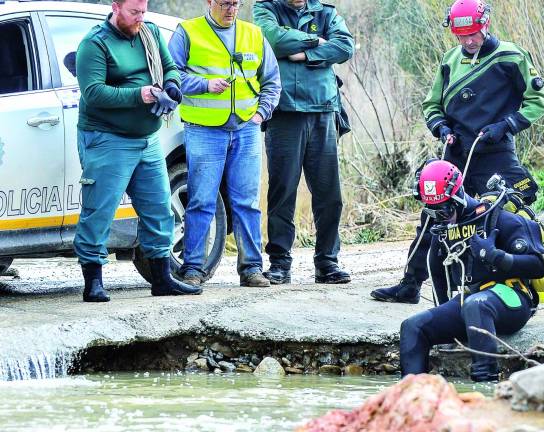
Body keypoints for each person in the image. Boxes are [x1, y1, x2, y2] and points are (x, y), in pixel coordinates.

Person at [371, 0, 544, 304]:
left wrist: (505, 125)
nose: (468, 41)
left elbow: (538, 101)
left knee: (512, 212)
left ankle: (530, 285)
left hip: (496, 149)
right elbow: (431, 104)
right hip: (456, 153)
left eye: (473, 35)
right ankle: (411, 284)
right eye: (461, 36)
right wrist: (441, 128)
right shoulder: (449, 60)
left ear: (485, 25)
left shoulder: (511, 56)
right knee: (433, 215)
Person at [75, 0, 201, 302]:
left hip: (147, 139)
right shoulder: (94, 44)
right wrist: (140, 94)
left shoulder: (151, 32)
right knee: (99, 209)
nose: (140, 18)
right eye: (134, 12)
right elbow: (92, 93)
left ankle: (161, 279)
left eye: (143, 11)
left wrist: (171, 88)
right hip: (108, 139)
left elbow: (170, 67)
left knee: (159, 208)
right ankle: (93, 282)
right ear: (116, 7)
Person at [399, 160, 544, 382]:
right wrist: (443, 318)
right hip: (472, 300)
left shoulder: (499, 218)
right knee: (412, 327)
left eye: (445, 209)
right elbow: (437, 272)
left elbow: (538, 264)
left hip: (513, 297)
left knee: (475, 304)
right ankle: (408, 395)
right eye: (432, 211)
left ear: (458, 195)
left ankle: (485, 386)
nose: (440, 216)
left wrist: (496, 256)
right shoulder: (444, 229)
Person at [169, 0, 282, 287]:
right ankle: (193, 268)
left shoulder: (254, 34)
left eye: (236, 3)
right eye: (224, 3)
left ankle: (251, 269)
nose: (231, 9)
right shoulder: (188, 32)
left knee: (247, 202)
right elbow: (171, 76)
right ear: (209, 2)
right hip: (204, 131)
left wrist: (260, 114)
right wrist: (205, 85)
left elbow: (271, 81)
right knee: (201, 200)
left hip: (245, 129)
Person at [252, 0, 355, 285]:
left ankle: (327, 262)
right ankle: (280, 263)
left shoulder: (326, 11)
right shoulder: (266, 9)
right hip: (285, 112)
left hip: (323, 110)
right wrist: (316, 42)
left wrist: (304, 55)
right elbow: (272, 39)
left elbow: (345, 46)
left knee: (329, 193)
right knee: (282, 191)